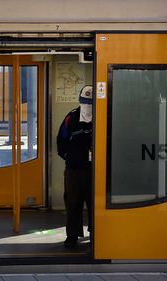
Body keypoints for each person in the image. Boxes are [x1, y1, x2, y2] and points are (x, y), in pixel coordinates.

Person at [56, 85, 93, 248]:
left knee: (95, 203)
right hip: (73, 170)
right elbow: (61, 141)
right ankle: (72, 235)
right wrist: (69, 158)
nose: (87, 106)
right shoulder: (71, 117)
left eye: (90, 103)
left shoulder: (103, 117)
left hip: (95, 170)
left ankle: (96, 233)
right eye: (84, 102)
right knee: (72, 202)